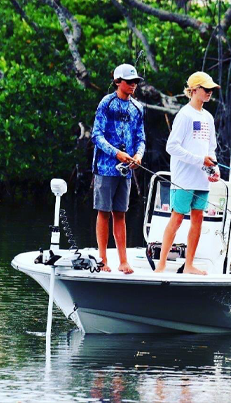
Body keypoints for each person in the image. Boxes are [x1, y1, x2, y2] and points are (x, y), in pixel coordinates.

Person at [154, 71, 220, 275]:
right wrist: (200, 160)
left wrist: (213, 168)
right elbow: (171, 147)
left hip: (202, 180)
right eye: (205, 89)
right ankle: (161, 264)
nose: (209, 92)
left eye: (211, 89)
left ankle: (189, 265)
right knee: (177, 218)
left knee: (198, 219)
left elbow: (211, 149)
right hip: (183, 179)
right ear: (193, 90)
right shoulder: (184, 115)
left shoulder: (208, 117)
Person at [91, 63, 145, 274]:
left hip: (126, 170)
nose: (133, 85)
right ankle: (102, 259)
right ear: (118, 82)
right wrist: (116, 153)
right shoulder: (106, 103)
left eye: (135, 82)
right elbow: (96, 135)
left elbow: (141, 138)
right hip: (105, 167)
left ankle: (123, 261)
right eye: (129, 81)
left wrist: (138, 156)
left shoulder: (137, 108)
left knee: (120, 213)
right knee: (103, 212)